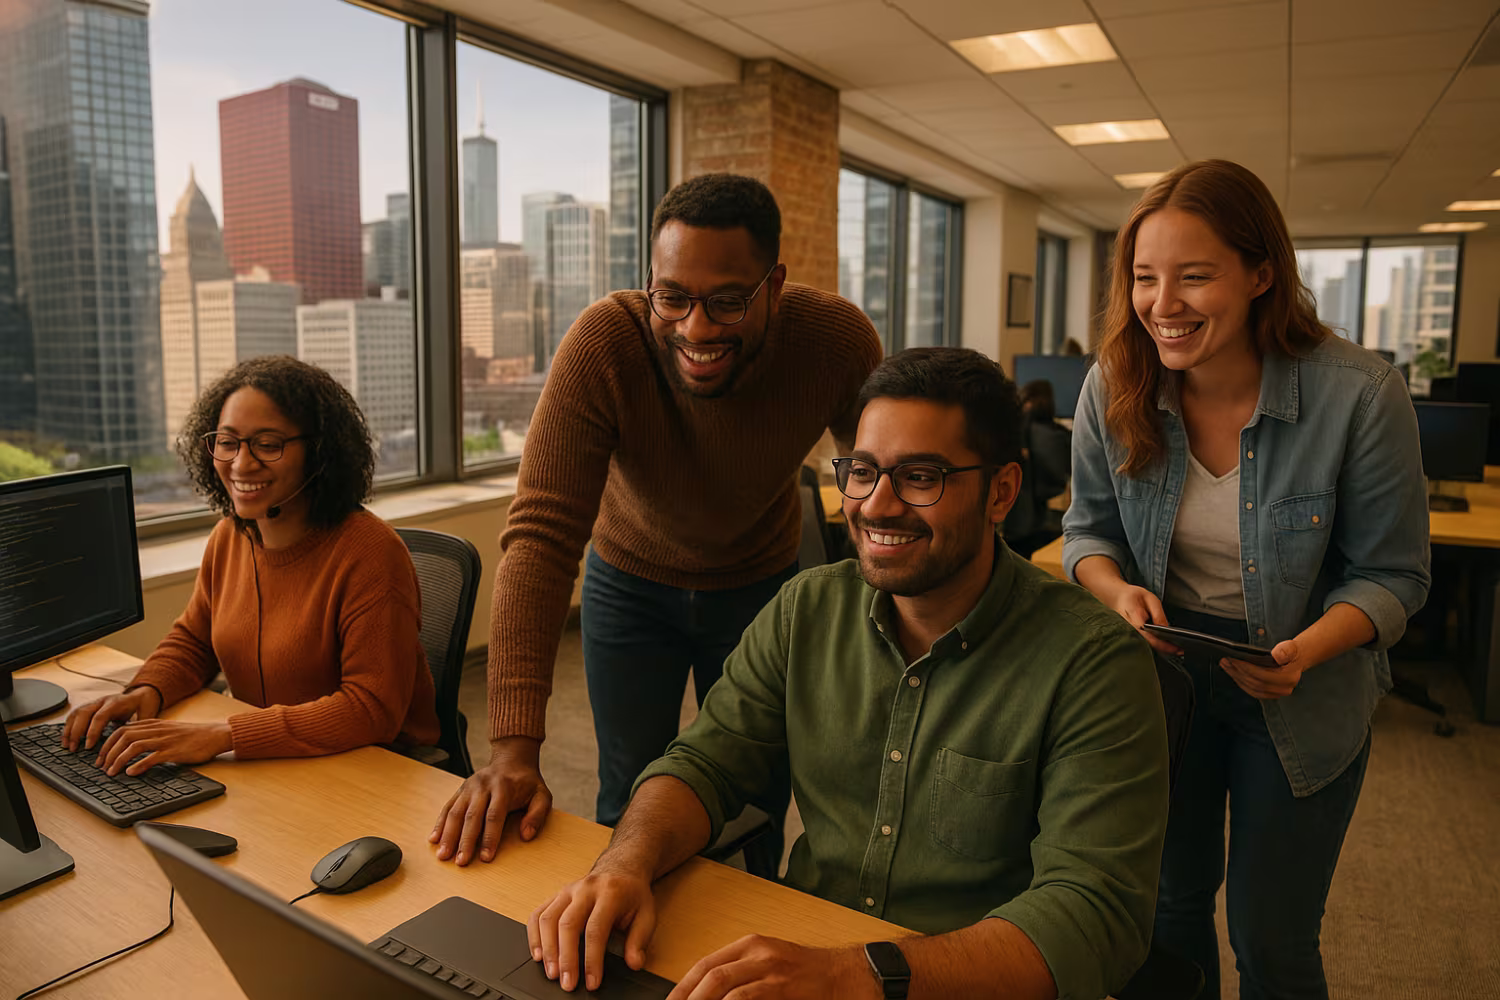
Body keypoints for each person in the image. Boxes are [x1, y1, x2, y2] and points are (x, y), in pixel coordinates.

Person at [527, 348, 1170, 1000]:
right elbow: (704, 762)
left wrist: (856, 974)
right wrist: (624, 863)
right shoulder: (806, 610)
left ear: (1000, 492)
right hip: (806, 958)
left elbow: (1095, 914)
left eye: (920, 477)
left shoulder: (1093, 662)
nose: (876, 505)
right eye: (862, 471)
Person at [430, 174, 882, 876]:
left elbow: (875, 484)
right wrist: (513, 751)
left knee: (755, 794)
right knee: (631, 793)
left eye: (728, 302)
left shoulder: (834, 342)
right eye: (672, 298)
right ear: (650, 283)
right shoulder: (605, 343)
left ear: (774, 286)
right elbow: (541, 538)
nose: (696, 329)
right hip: (630, 585)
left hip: (761, 588)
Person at [1063, 159, 1431, 1000]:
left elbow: (1394, 575)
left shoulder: (1359, 394)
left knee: (1271, 938)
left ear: (1261, 274)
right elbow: (1086, 531)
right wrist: (1116, 593)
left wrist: (1310, 649)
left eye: (1194, 276)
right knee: (1168, 909)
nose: (1163, 303)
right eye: (1145, 277)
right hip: (1165, 670)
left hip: (1303, 678)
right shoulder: (1115, 382)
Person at [62, 356, 439, 772]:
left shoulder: (370, 552)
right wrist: (147, 689)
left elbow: (371, 708)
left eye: (268, 444)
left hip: (375, 767)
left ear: (319, 452)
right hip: (269, 759)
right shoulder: (230, 536)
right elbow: (195, 640)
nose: (241, 464)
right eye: (228, 442)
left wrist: (223, 735)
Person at [1002, 379, 1071, 558]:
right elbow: (1060, 476)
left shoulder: (1012, 433)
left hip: (1016, 523)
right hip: (1039, 520)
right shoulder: (1056, 435)